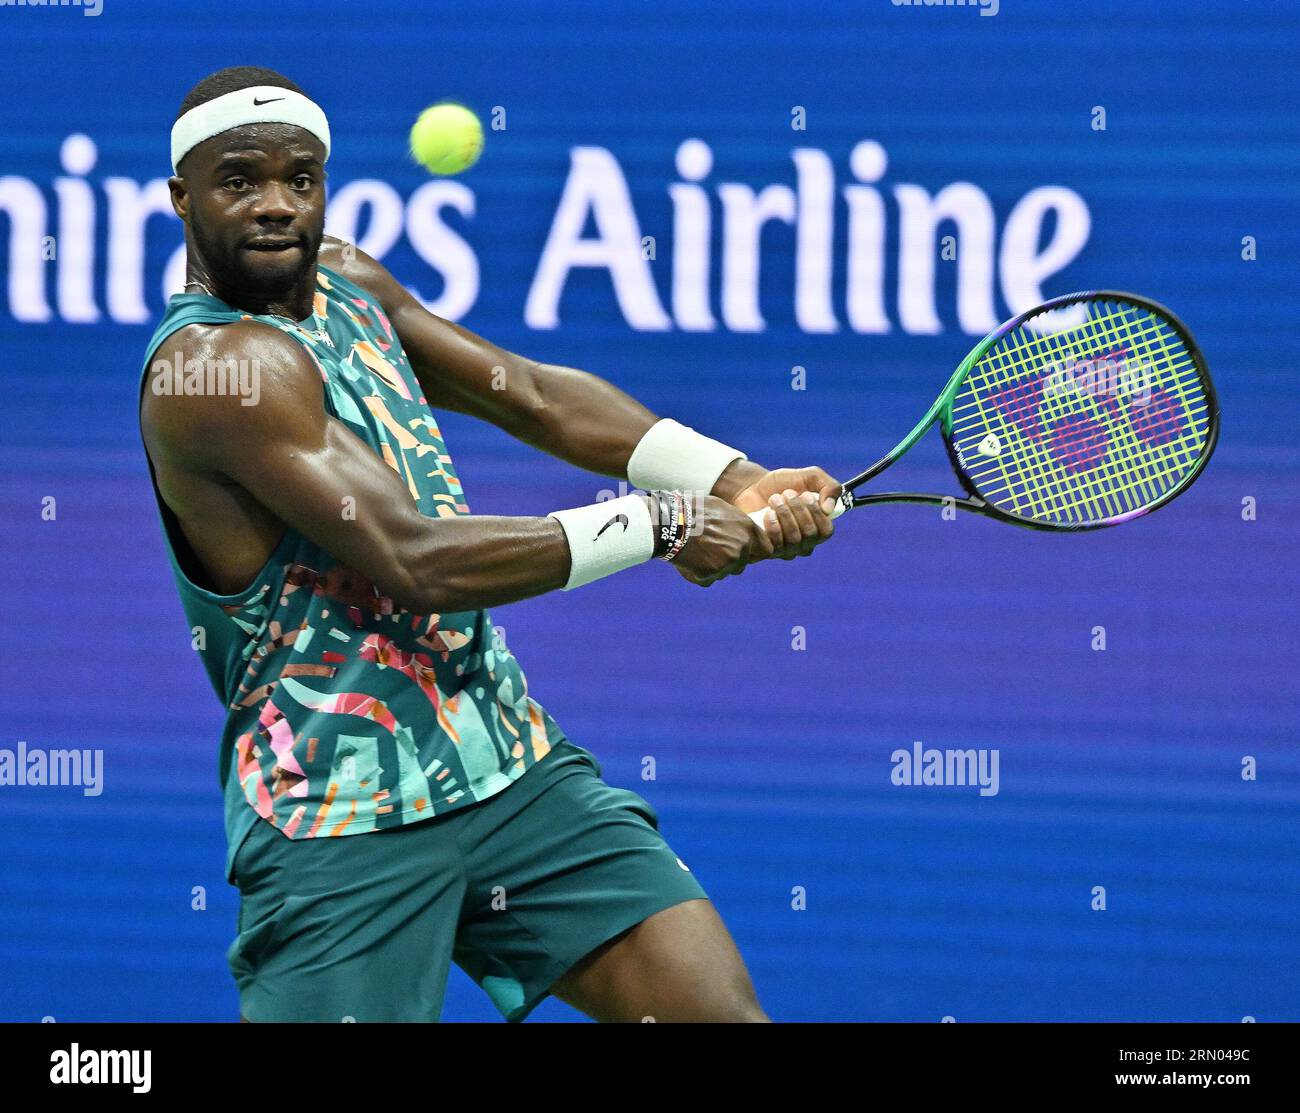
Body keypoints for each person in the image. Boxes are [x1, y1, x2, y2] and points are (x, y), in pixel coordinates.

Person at [139, 65, 842, 1023]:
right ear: (182, 197)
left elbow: (532, 393)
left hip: (506, 765)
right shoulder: (214, 374)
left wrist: (726, 477)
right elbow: (414, 559)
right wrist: (661, 521)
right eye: (240, 181)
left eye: (299, 178)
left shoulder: (350, 286)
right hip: (341, 815)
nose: (276, 205)